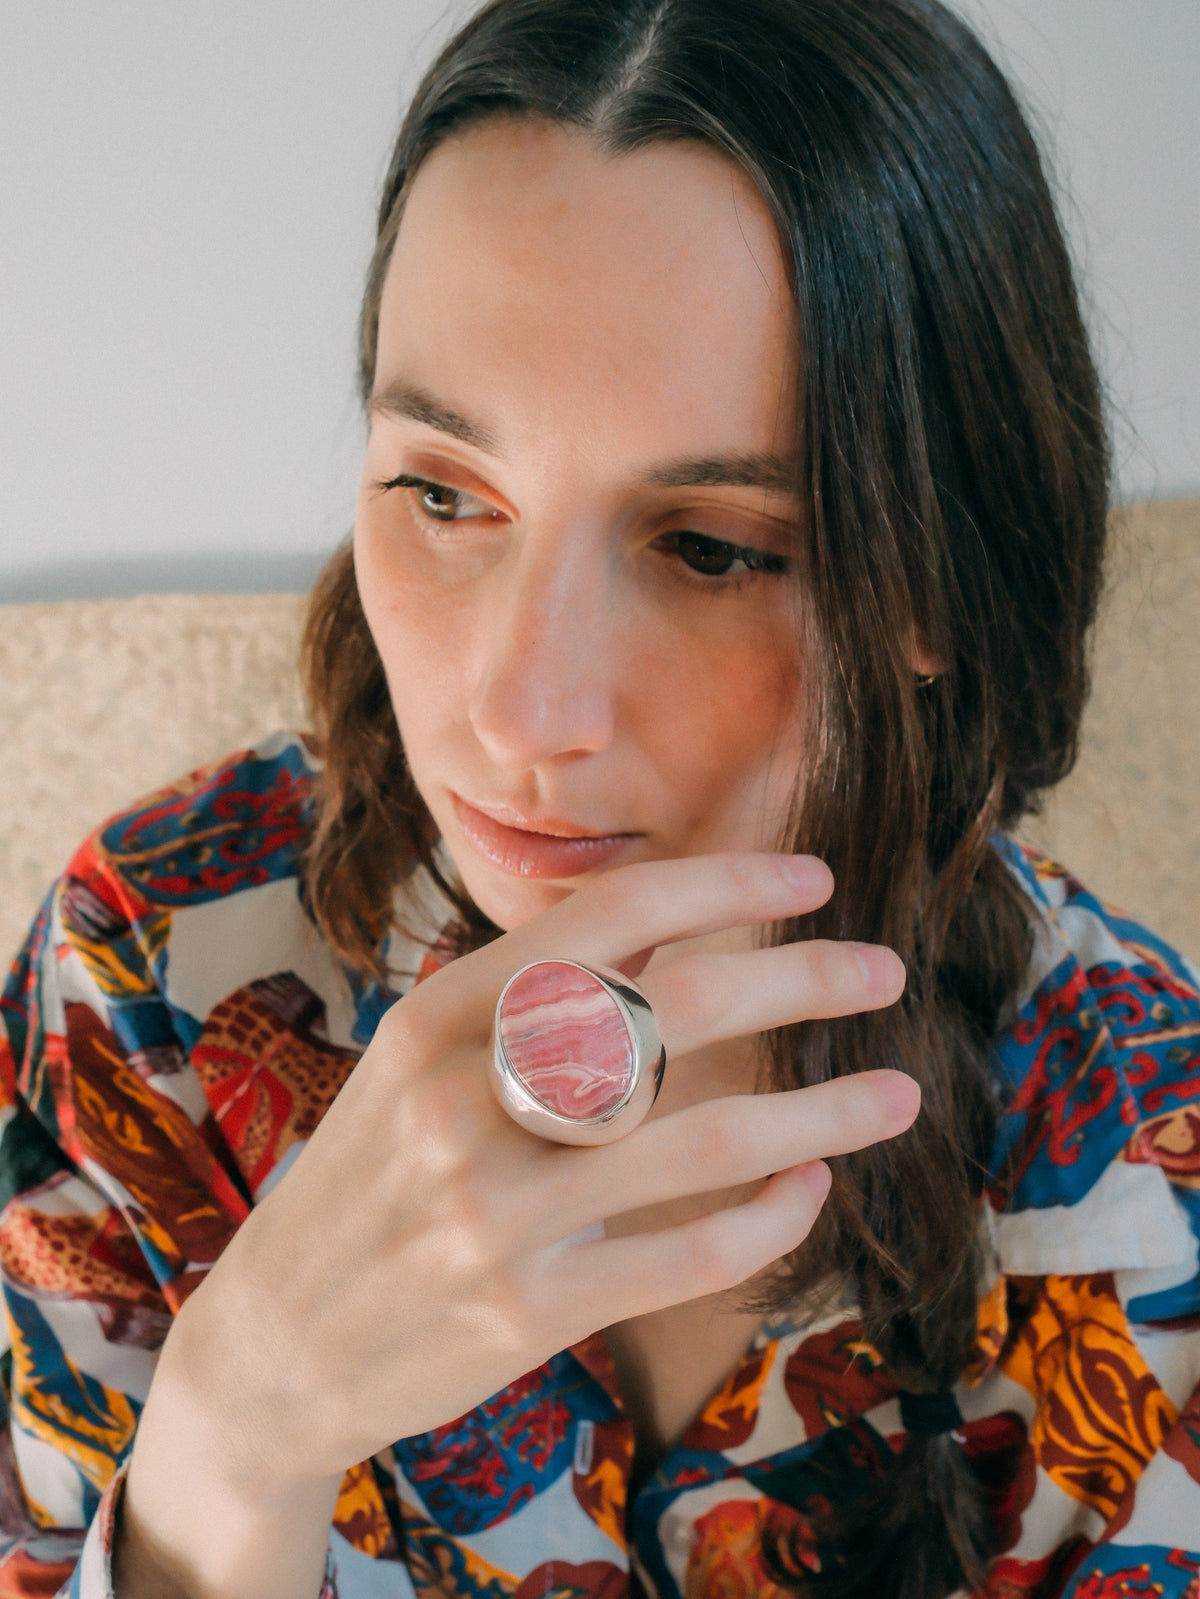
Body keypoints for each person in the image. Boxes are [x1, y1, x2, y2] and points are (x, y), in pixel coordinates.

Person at [2, 0, 1198, 1594]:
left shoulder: (1144, 1164)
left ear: (933, 588)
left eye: (711, 548)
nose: (521, 709)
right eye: (443, 493)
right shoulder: (150, 969)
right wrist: (236, 1438)